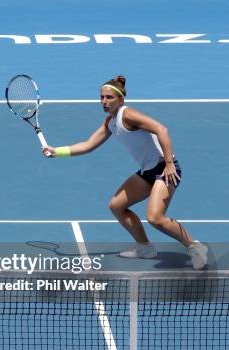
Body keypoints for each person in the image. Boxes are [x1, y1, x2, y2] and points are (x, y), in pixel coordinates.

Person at [42, 76, 208, 270]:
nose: (104, 101)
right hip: (148, 170)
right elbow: (88, 145)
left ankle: (195, 246)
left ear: (121, 100)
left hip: (165, 169)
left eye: (109, 97)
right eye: (102, 97)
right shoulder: (110, 122)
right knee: (117, 206)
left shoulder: (127, 115)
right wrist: (57, 151)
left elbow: (161, 129)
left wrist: (170, 163)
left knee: (155, 218)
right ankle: (145, 248)